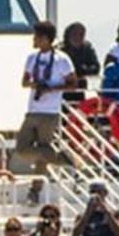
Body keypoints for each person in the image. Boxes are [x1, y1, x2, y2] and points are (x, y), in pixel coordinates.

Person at [16, 20, 76, 170]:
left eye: (36, 37)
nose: (33, 40)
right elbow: (24, 82)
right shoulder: (32, 58)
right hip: (33, 109)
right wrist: (35, 85)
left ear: (45, 39)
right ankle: (60, 158)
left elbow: (73, 84)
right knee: (22, 148)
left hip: (50, 111)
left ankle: (37, 187)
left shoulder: (62, 60)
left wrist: (51, 88)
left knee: (42, 151)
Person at [61, 22, 103, 96]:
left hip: (80, 88)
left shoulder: (87, 48)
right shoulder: (60, 50)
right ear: (68, 35)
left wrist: (82, 70)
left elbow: (96, 67)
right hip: (62, 89)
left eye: (81, 34)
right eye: (75, 34)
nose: (78, 37)